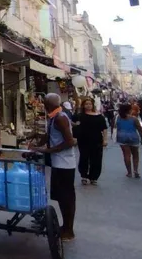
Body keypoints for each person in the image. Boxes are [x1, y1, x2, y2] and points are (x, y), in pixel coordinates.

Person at [30, 93, 78, 241]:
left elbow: (70, 141)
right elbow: (49, 135)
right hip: (59, 163)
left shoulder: (60, 118)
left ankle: (69, 231)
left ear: (47, 105)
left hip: (64, 163)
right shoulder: (54, 117)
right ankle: (66, 227)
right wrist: (36, 145)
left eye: (44, 104)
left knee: (66, 198)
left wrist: (47, 150)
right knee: (62, 197)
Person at [75, 98, 108, 186]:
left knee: (96, 159)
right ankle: (84, 176)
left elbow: (104, 129)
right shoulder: (80, 116)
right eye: (86, 104)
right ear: (83, 105)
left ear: (93, 105)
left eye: (90, 104)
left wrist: (105, 140)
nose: (88, 106)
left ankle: (94, 177)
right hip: (83, 140)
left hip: (96, 140)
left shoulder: (99, 116)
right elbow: (72, 124)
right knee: (84, 158)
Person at [115, 101, 142, 178]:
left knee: (126, 155)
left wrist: (113, 135)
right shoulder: (134, 119)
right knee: (135, 154)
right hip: (133, 137)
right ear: (129, 110)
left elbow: (114, 127)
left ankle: (129, 172)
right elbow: (139, 129)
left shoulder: (118, 117)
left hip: (122, 137)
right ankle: (135, 170)